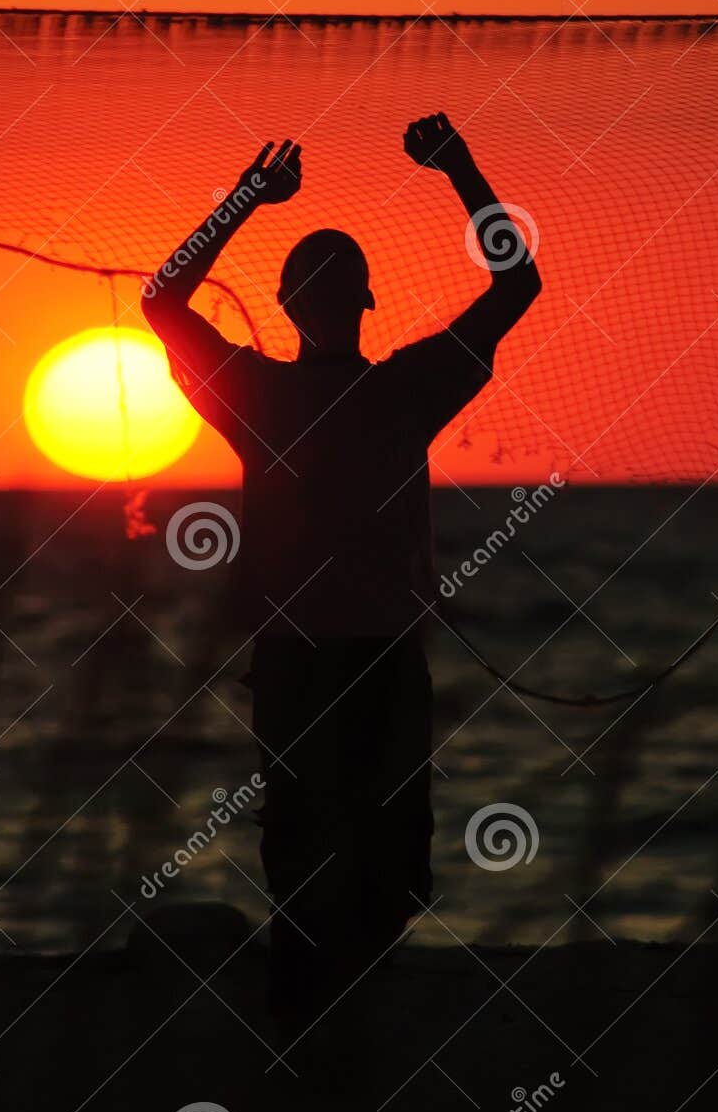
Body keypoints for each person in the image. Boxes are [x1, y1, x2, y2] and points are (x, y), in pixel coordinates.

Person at [142, 113, 541, 1033]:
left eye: (330, 286)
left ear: (326, 305)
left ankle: (320, 1027)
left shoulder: (307, 393)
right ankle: (317, 1039)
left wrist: (248, 198)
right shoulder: (363, 391)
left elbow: (164, 301)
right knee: (343, 869)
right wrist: (457, 168)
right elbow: (515, 281)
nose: (324, 300)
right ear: (339, 305)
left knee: (353, 869)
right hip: (332, 662)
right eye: (319, 288)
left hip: (339, 662)